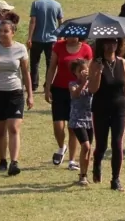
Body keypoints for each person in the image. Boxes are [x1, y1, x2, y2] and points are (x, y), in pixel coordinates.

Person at [0, 17, 33, 175]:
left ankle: (14, 162)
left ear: (13, 33)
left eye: (6, 31)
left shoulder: (20, 49)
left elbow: (26, 73)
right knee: (0, 130)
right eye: (0, 31)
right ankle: (2, 160)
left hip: (15, 92)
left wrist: (30, 95)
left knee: (13, 128)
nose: (2, 34)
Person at [88, 37, 125, 191]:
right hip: (100, 107)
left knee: (117, 143)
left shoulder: (123, 62)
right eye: (107, 42)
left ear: (118, 43)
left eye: (114, 41)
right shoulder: (95, 63)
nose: (111, 45)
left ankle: (115, 179)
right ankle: (97, 163)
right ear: (101, 44)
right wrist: (98, 73)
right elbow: (92, 90)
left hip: (120, 108)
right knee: (102, 145)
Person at [43, 35, 93, 170]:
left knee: (73, 127)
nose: (72, 38)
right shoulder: (58, 46)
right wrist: (48, 87)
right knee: (58, 125)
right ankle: (61, 147)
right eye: (69, 34)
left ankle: (72, 160)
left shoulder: (86, 48)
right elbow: (52, 67)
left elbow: (90, 70)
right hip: (59, 89)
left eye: (75, 35)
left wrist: (86, 82)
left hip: (77, 92)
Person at [27, 0, 63, 92]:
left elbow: (33, 22)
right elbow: (60, 22)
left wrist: (29, 37)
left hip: (37, 38)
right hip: (51, 39)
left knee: (35, 62)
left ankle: (33, 84)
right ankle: (48, 84)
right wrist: (60, 36)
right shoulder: (57, 5)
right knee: (50, 63)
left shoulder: (36, 4)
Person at [68, 58, 95, 186]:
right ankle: (82, 174)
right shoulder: (72, 84)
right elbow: (75, 94)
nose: (83, 72)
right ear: (75, 73)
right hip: (77, 120)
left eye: (85, 70)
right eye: (80, 71)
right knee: (86, 146)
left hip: (90, 120)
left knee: (89, 149)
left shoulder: (92, 83)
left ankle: (84, 174)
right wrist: (83, 82)